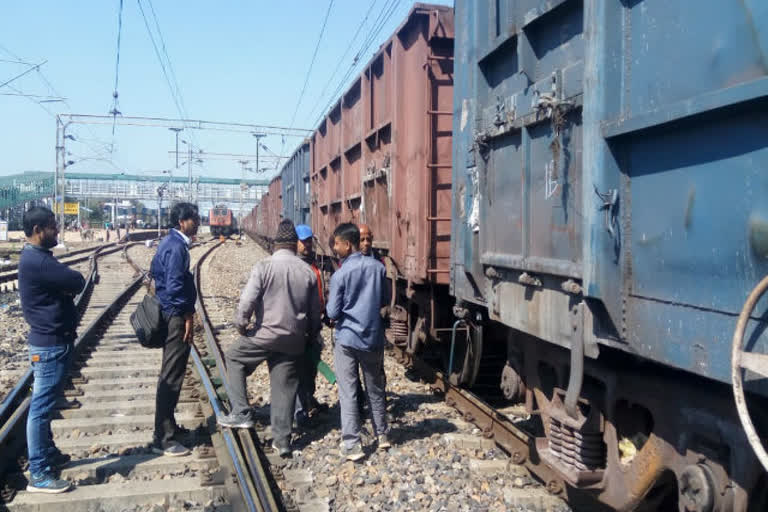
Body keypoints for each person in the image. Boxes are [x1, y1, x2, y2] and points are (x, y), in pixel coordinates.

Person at [218, 219, 321, 457]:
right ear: (294, 245)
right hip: (294, 340)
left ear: (276, 244)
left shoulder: (264, 267)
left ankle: (242, 413)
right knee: (284, 387)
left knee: (234, 357)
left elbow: (247, 303)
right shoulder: (307, 272)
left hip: (264, 337)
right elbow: (315, 314)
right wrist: (310, 336)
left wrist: (241, 325)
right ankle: (282, 441)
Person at [19, 206, 86, 493]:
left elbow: (66, 283)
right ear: (37, 231)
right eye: (52, 226)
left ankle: (48, 456)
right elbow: (76, 281)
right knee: (41, 410)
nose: (57, 231)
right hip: (49, 345)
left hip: (49, 342)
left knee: (44, 406)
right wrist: (65, 288)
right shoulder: (40, 262)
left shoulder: (37, 259)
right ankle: (40, 473)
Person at [326, 222, 390, 461]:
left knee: (349, 390)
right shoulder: (378, 268)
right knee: (375, 387)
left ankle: (352, 443)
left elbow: (332, 312)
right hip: (372, 337)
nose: (335, 248)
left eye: (337, 244)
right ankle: (382, 434)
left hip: (347, 340)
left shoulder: (341, 274)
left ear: (348, 244)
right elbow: (384, 300)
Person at [149, 202, 200, 456]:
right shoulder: (178, 247)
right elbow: (174, 285)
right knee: (171, 375)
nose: (198, 222)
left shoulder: (169, 243)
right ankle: (164, 438)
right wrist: (186, 313)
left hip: (171, 313)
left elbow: (155, 272)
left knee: (172, 373)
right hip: (176, 318)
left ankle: (168, 427)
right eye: (194, 219)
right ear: (182, 222)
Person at [293, 224, 325, 427]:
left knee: (310, 367)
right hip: (301, 327)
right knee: (298, 370)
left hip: (314, 325)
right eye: (303, 241)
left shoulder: (313, 264)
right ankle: (300, 411)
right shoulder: (296, 267)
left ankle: (308, 400)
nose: (307, 245)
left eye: (309, 241)